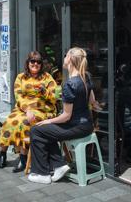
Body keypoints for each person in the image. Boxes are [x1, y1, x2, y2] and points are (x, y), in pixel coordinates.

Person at [28, 47, 94, 184]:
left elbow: (66, 116)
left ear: (69, 59)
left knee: (36, 130)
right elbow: (92, 101)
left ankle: (42, 174)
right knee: (48, 130)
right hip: (86, 124)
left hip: (75, 125)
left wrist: (49, 121)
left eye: (65, 55)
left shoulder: (70, 84)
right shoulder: (86, 77)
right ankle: (59, 165)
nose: (63, 57)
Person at [0, 51, 57, 172]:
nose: (35, 64)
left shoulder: (47, 77)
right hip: (23, 108)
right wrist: (27, 109)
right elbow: (18, 95)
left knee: (25, 122)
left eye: (38, 62)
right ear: (28, 62)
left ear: (41, 64)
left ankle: (23, 158)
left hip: (42, 109)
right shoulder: (21, 77)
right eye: (33, 61)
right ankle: (2, 153)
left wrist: (44, 91)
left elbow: (54, 97)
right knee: (10, 121)